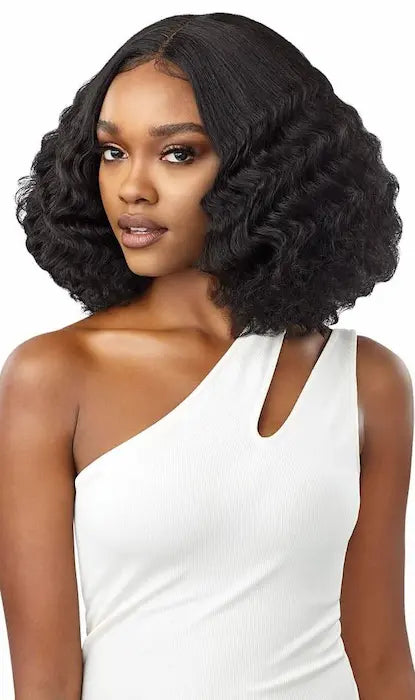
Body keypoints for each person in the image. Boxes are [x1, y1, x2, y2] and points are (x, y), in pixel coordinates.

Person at [1, 11, 414, 700]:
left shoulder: (367, 380)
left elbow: (379, 656)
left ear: (267, 171)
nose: (132, 187)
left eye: (177, 153)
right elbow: (44, 680)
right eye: (112, 152)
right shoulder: (54, 376)